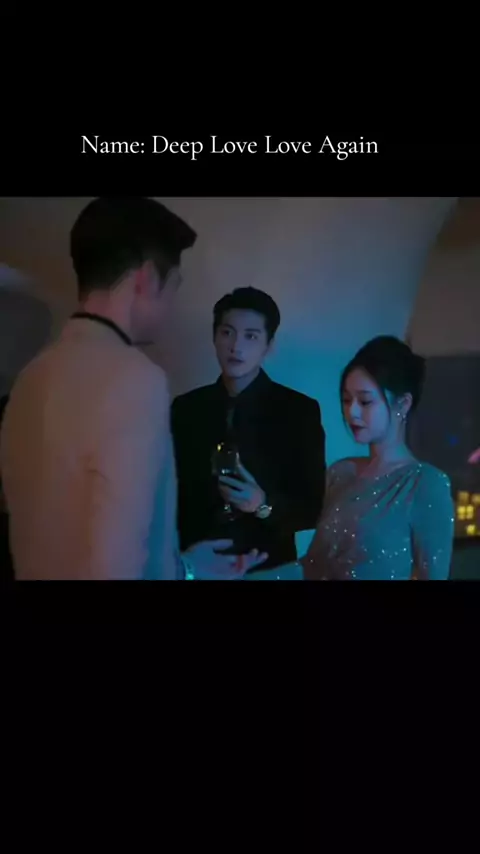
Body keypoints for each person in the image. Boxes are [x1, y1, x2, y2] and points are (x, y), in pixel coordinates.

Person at [0, 197, 266, 580]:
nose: (172, 305)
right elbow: (116, 565)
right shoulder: (135, 379)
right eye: (173, 287)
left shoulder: (31, 376)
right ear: (146, 279)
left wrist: (186, 566)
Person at [171, 286, 326, 572]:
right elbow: (169, 497)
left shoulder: (298, 411)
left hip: (267, 567)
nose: (236, 346)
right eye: (227, 333)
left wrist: (263, 505)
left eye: (251, 336)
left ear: (269, 345)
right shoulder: (186, 409)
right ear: (214, 337)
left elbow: (313, 508)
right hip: (196, 565)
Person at [287, 336, 453, 580]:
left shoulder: (425, 484)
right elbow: (313, 566)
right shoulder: (341, 473)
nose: (352, 412)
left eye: (365, 401)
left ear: (403, 404)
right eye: (346, 400)